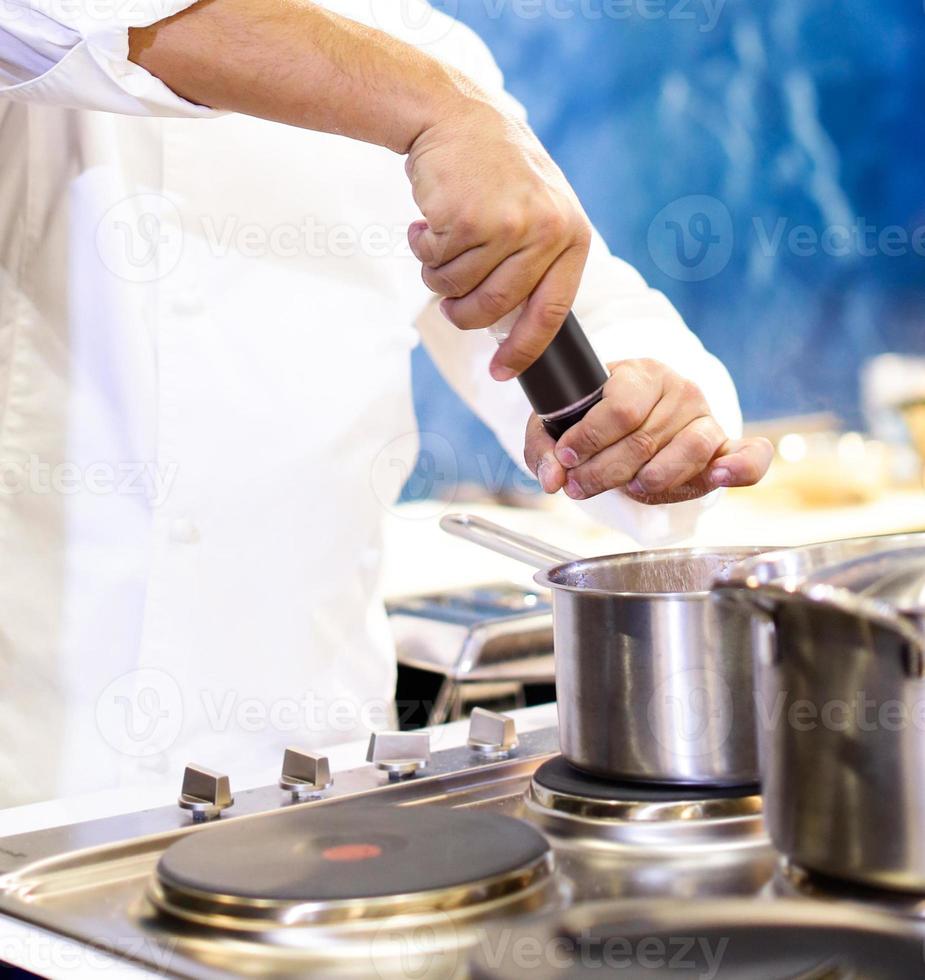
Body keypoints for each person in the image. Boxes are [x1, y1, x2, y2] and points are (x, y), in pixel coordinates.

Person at [0, 0, 771, 807]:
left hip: (312, 783)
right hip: (39, 788)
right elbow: (77, 21)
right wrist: (435, 111)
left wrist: (650, 418)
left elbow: (591, 311)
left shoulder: (421, 47)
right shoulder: (428, 88)